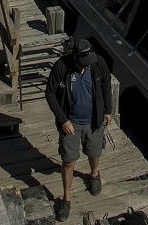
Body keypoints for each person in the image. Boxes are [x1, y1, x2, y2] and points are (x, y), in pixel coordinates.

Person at [45, 38, 113, 222]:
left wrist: (108, 110)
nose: (86, 66)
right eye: (83, 63)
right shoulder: (61, 67)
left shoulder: (98, 63)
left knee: (95, 152)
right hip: (71, 124)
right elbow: (50, 93)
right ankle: (66, 200)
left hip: (94, 121)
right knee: (68, 161)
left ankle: (94, 174)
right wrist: (63, 119)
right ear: (75, 58)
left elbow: (106, 83)